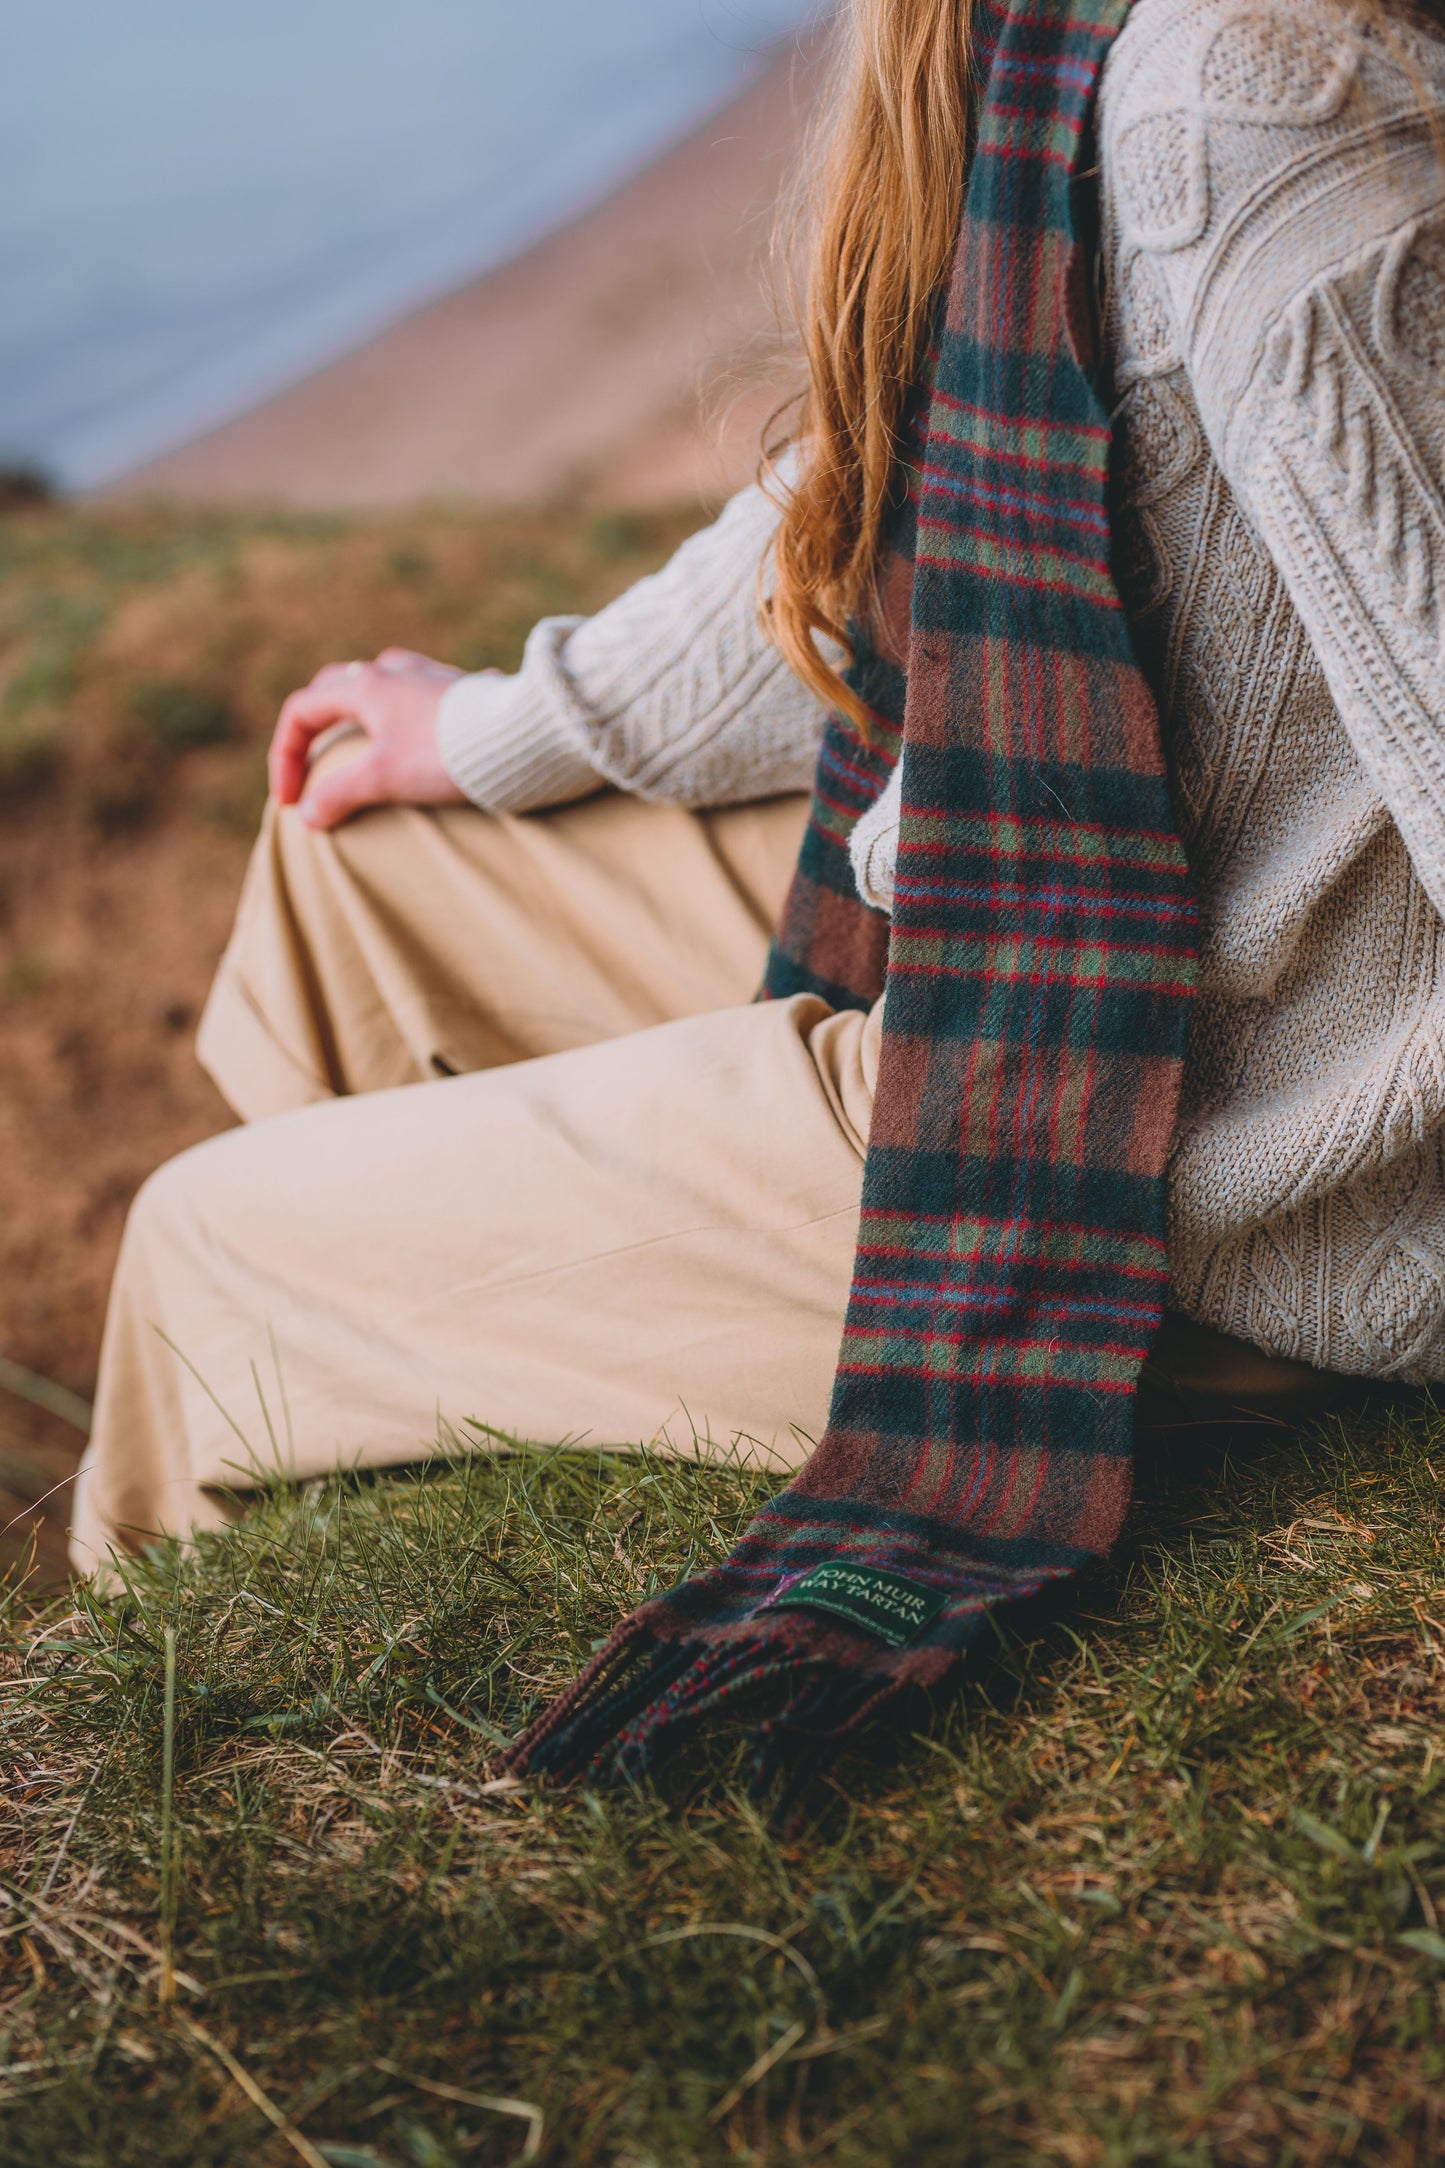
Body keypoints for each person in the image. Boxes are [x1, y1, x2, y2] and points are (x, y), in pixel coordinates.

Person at [73, 0, 1445, 1704]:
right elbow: (884, 485)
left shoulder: (1266, 95)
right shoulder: (1082, 39)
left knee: (204, 1253)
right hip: (1082, 926)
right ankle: (421, 1427)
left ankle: (214, 1737)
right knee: (365, 849)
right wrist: (505, 723)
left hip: (1202, 1157)